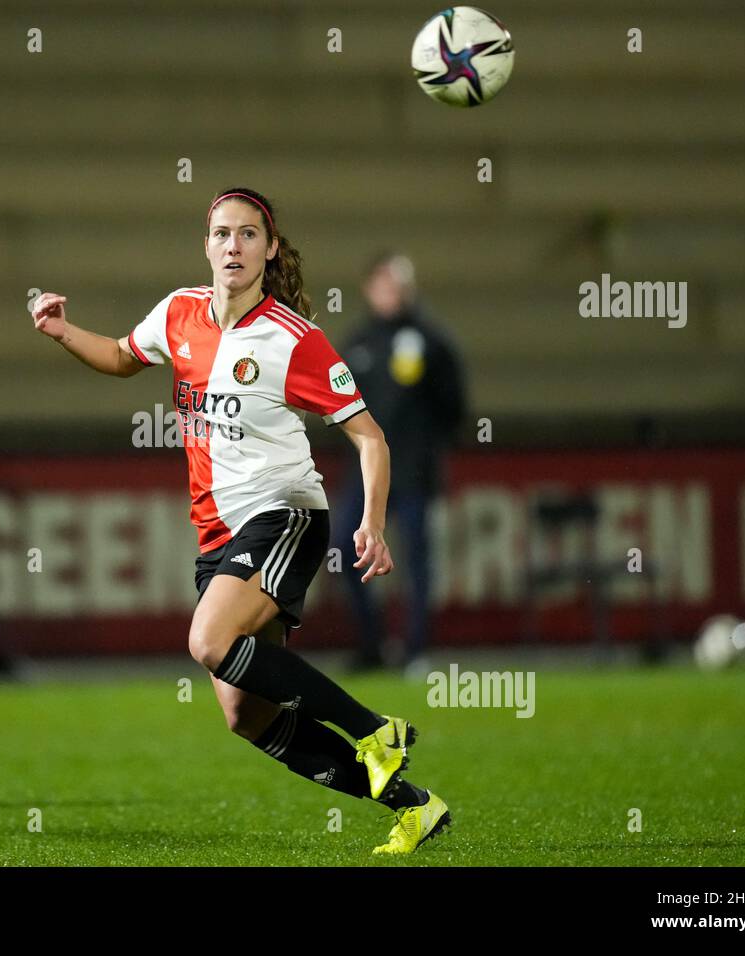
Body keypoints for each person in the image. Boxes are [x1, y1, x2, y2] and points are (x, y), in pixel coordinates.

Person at [30, 187, 450, 854]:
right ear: (206, 245)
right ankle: (415, 807)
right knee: (244, 714)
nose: (234, 245)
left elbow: (371, 438)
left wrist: (371, 521)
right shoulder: (178, 314)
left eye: (248, 234)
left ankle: (376, 729)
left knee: (209, 640)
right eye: (222, 233)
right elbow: (117, 356)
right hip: (219, 536)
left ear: (269, 248)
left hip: (285, 516)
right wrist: (60, 333)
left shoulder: (294, 339)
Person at [334, 253, 466, 674]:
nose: (391, 292)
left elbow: (454, 406)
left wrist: (425, 447)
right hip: (367, 473)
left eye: (398, 284)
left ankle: (415, 650)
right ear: (369, 288)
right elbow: (337, 406)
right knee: (344, 546)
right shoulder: (357, 343)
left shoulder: (431, 340)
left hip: (413, 471)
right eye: (384, 284)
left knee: (416, 556)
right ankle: (372, 644)